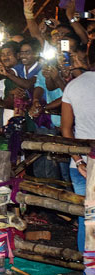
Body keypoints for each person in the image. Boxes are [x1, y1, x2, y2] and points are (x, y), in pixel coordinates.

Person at [61, 71, 95, 253]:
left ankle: (88, 274)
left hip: (81, 162)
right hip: (84, 163)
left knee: (87, 217)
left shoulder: (74, 85)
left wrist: (78, 160)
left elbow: (66, 130)